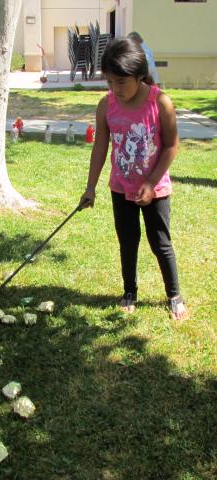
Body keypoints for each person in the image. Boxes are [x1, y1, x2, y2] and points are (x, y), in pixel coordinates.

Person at [80, 37, 188, 321]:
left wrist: (151, 183)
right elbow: (100, 146)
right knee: (128, 241)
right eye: (110, 82)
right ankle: (129, 292)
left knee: (160, 242)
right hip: (121, 187)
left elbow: (171, 146)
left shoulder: (160, 102)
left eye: (121, 82)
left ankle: (174, 294)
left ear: (139, 75)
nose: (115, 89)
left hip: (156, 190)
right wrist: (90, 187)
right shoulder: (106, 106)